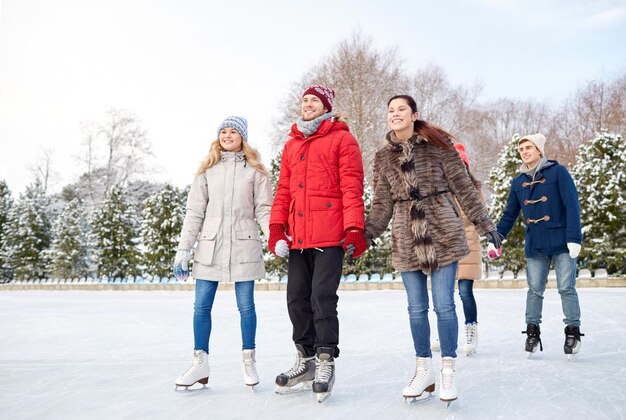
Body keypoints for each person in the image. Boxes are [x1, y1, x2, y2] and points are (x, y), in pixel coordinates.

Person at [364, 95, 501, 406]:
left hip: (443, 232)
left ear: (414, 114)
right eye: (390, 110)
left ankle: (448, 368)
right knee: (415, 308)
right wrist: (367, 234)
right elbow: (382, 204)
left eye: (401, 109)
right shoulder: (382, 157)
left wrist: (484, 223)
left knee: (444, 306)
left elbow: (464, 188)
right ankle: (423, 369)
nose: (395, 114)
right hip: (405, 236)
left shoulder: (440, 147)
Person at [268, 84, 366, 403]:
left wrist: (354, 228)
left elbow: (352, 187)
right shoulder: (291, 145)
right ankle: (305, 360)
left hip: (330, 232)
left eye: (314, 100)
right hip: (299, 237)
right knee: (296, 298)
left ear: (326, 107)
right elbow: (283, 191)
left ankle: (325, 360)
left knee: (322, 297)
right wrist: (276, 228)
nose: (308, 104)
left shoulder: (343, 139)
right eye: (304, 100)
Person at [172, 116, 273, 390]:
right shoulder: (207, 170)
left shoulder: (256, 171)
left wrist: (274, 236)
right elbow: (194, 212)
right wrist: (184, 248)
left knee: (246, 306)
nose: (228, 135)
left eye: (234, 131)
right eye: (223, 131)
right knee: (201, 306)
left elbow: (263, 209)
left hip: (244, 244)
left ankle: (249, 360)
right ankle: (199, 363)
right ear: (218, 137)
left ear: (243, 137)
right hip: (210, 245)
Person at [494, 133, 584, 358]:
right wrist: (496, 238)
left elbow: (572, 205)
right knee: (535, 289)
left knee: (566, 287)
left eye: (528, 147)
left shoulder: (558, 172)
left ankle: (572, 332)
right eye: (521, 148)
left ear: (539, 150)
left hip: (563, 241)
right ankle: (532, 332)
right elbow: (509, 215)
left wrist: (575, 238)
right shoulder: (518, 182)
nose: (524, 151)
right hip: (535, 242)